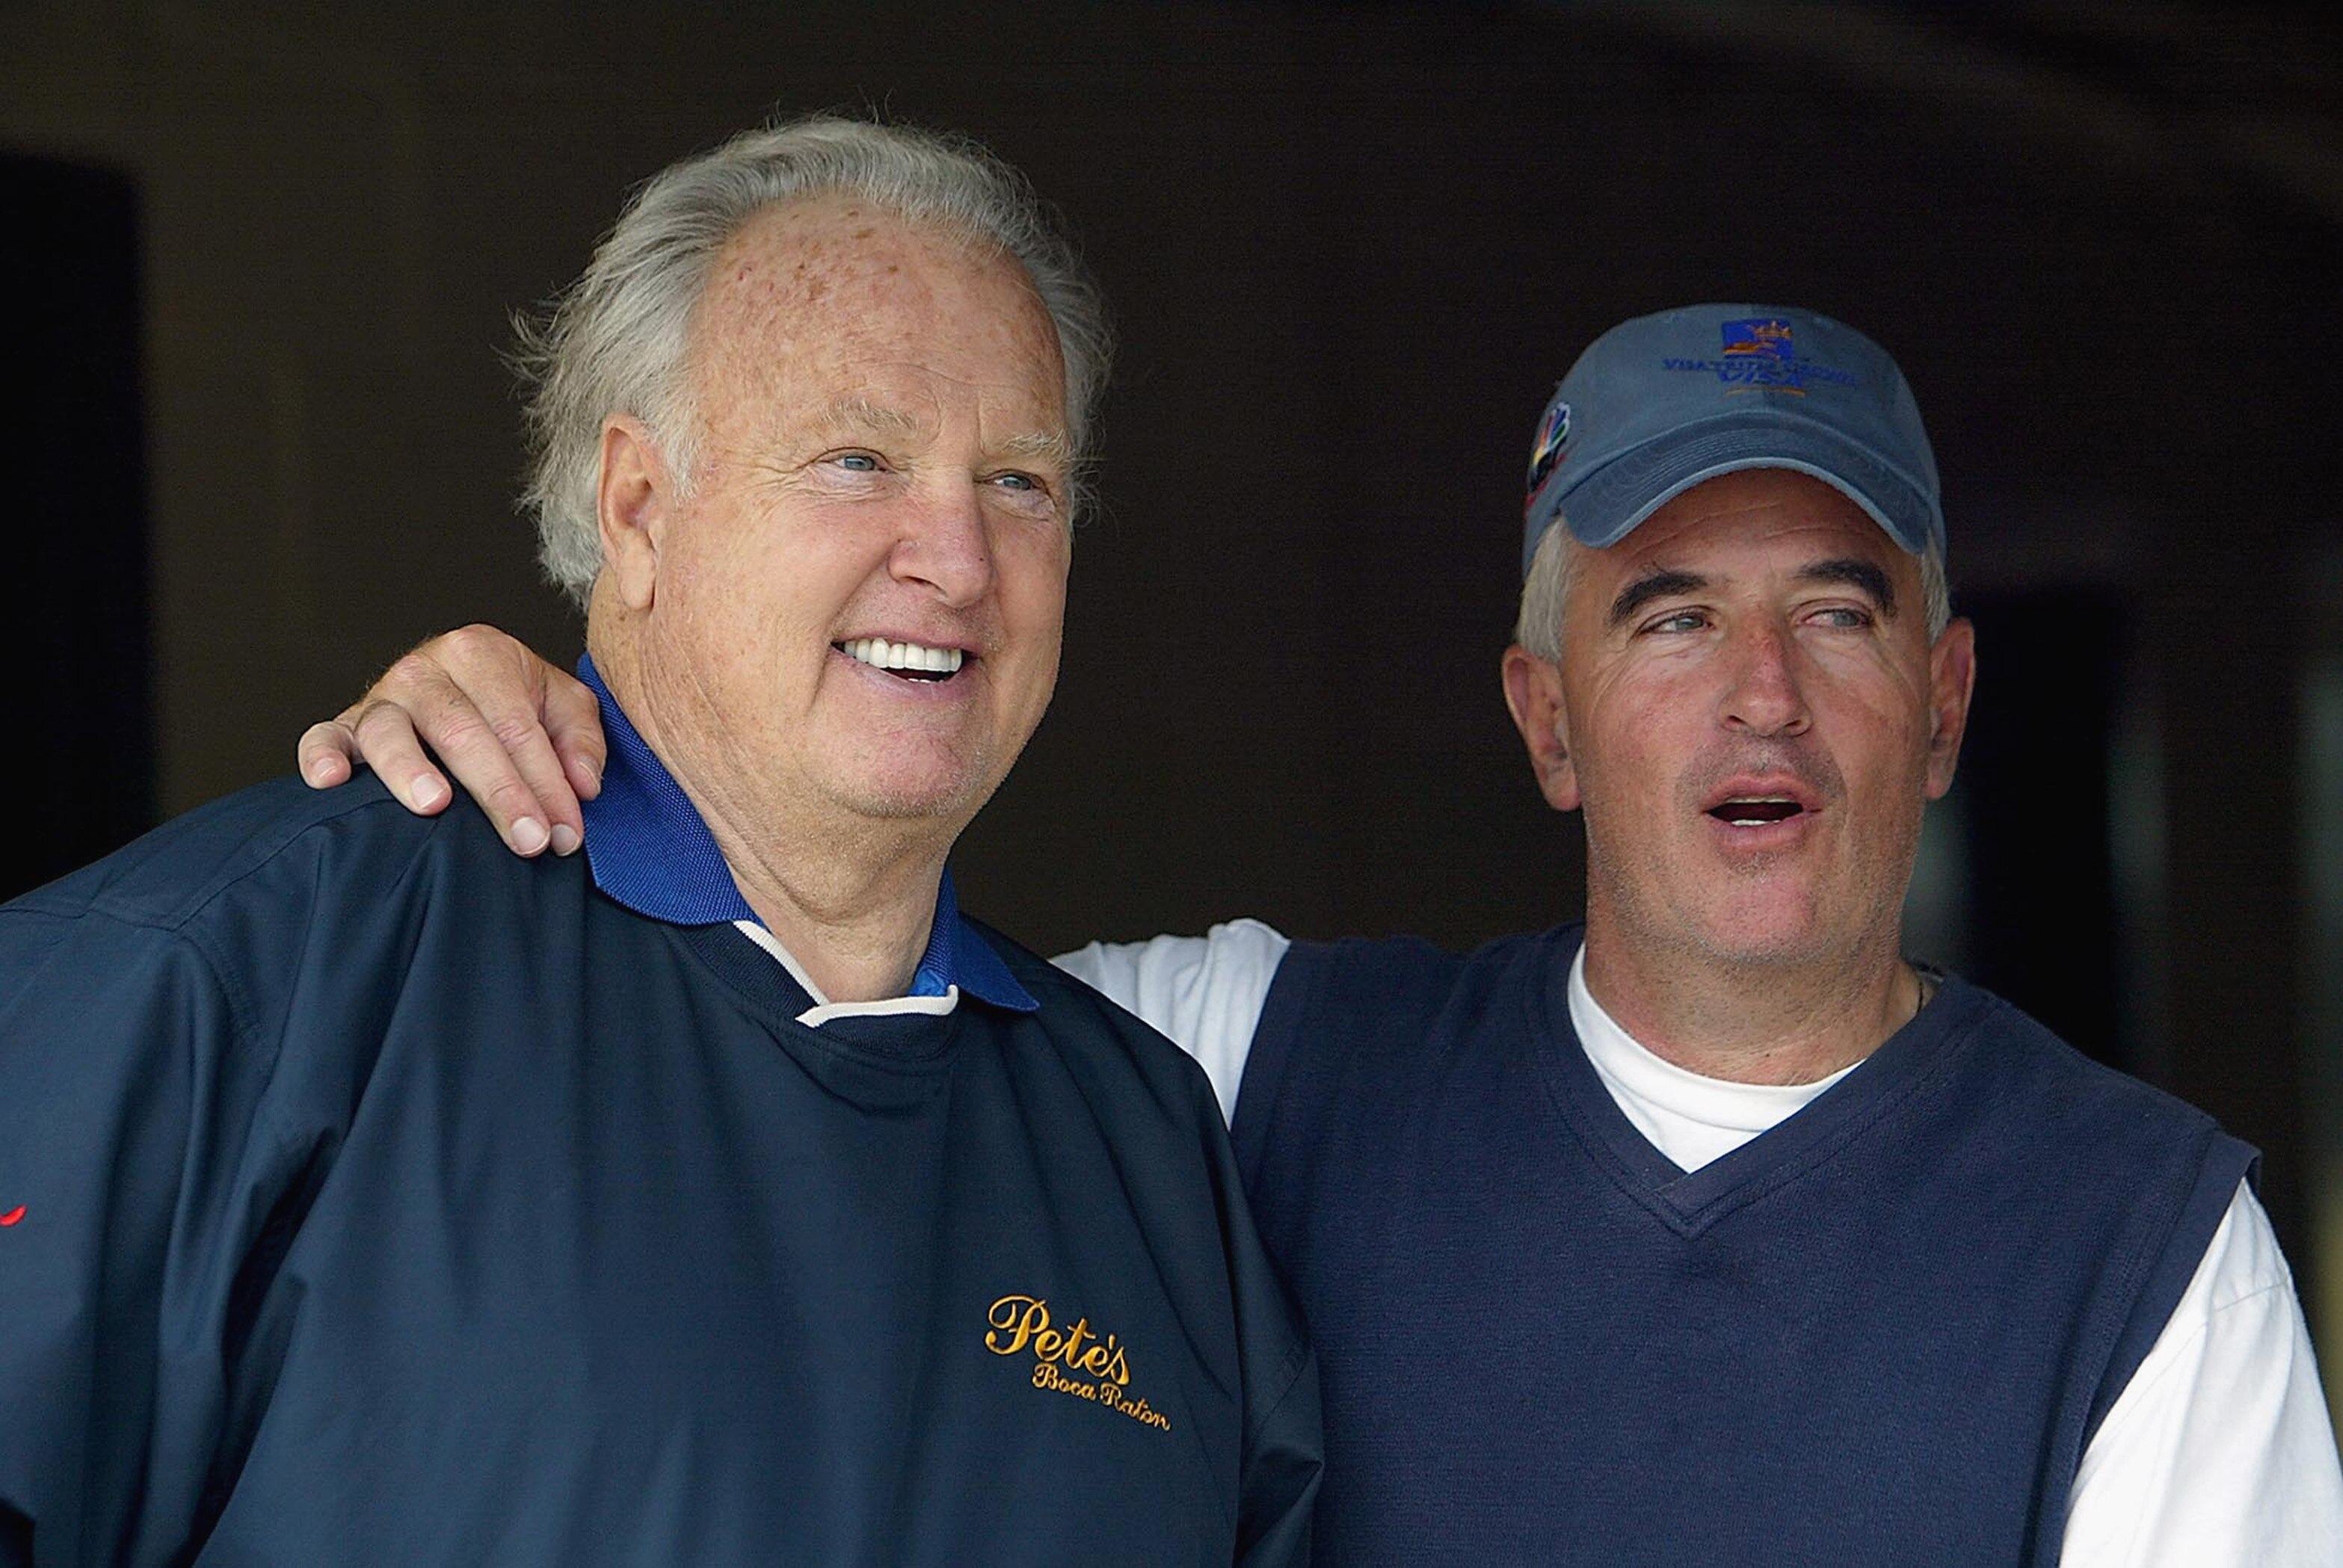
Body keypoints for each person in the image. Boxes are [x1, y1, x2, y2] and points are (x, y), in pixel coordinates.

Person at [305, 303, 2343, 1564]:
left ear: (1947, 708)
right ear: (1540, 718)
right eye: (1661, 614)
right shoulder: (1246, 1061)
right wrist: (558, 741)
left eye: (1833, 611)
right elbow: (796, 990)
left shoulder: (2143, 1249)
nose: (1757, 695)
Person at [0, 117, 1320, 1568]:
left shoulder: (1141, 1142)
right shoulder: (265, 971)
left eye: (1019, 479)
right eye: (859, 456)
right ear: (637, 507)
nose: (957, 559)